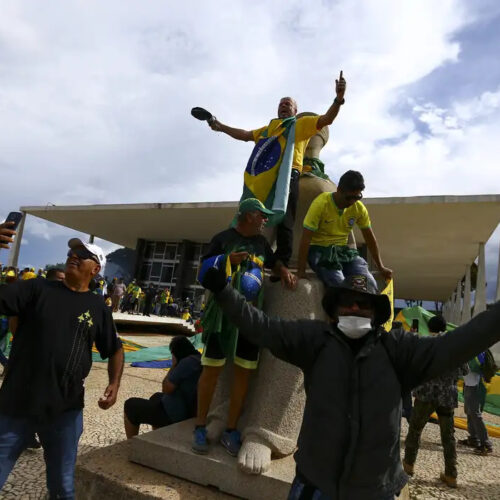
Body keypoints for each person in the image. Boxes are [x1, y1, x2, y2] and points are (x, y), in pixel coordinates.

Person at [200, 264, 500, 499]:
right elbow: (262, 327)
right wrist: (224, 292)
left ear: (375, 312)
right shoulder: (314, 340)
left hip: (375, 490)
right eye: (347, 302)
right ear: (333, 309)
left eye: (363, 303)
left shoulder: (398, 350)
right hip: (314, 484)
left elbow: (459, 343)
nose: (354, 308)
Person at [0, 226, 124, 499]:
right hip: (15, 406)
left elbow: (115, 349)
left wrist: (114, 383)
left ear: (95, 270)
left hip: (64, 412)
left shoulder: (97, 308)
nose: (74, 255)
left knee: (63, 488)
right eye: (72, 251)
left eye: (82, 254)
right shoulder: (36, 289)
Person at [207, 72, 347, 267]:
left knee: (285, 221)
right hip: (265, 179)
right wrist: (220, 126)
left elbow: (326, 119)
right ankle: (244, 253)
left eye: (287, 104)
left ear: (295, 111)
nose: (283, 106)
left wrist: (339, 99)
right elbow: (246, 135)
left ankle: (281, 263)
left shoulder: (300, 125)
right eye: (281, 104)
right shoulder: (269, 130)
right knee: (254, 217)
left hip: (288, 176)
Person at [193, 198, 296, 457]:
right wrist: (227, 259)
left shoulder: (261, 244)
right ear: (249, 215)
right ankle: (200, 426)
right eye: (262, 216)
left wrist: (282, 271)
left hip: (250, 316)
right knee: (212, 370)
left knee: (244, 372)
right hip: (222, 315)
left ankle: (231, 430)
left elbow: (273, 262)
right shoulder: (222, 238)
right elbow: (202, 273)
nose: (265, 221)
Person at [402, 315, 468, 488]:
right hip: (447, 395)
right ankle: (451, 474)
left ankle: (408, 466)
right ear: (445, 328)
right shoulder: (456, 347)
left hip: (425, 393)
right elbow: (464, 371)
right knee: (448, 436)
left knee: (415, 430)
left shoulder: (423, 344)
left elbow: (412, 366)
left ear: (429, 327)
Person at [297, 170, 392, 290]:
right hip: (321, 252)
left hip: (343, 252)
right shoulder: (321, 204)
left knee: (368, 285)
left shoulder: (358, 208)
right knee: (341, 286)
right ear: (339, 190)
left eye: (357, 197)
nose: (353, 202)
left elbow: (369, 238)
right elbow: (306, 238)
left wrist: (381, 267)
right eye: (349, 197)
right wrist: (301, 271)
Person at [124, 336, 202, 438]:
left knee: (130, 405)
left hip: (175, 414)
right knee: (156, 397)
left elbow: (166, 388)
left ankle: (130, 444)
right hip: (189, 408)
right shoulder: (198, 359)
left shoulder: (185, 363)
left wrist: (173, 365)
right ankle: (159, 438)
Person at [458, 351, 494, 455]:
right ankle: (474, 439)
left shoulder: (478, 350)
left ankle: (486, 444)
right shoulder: (472, 347)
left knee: (475, 413)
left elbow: (475, 367)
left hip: (476, 385)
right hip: (469, 383)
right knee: (469, 411)